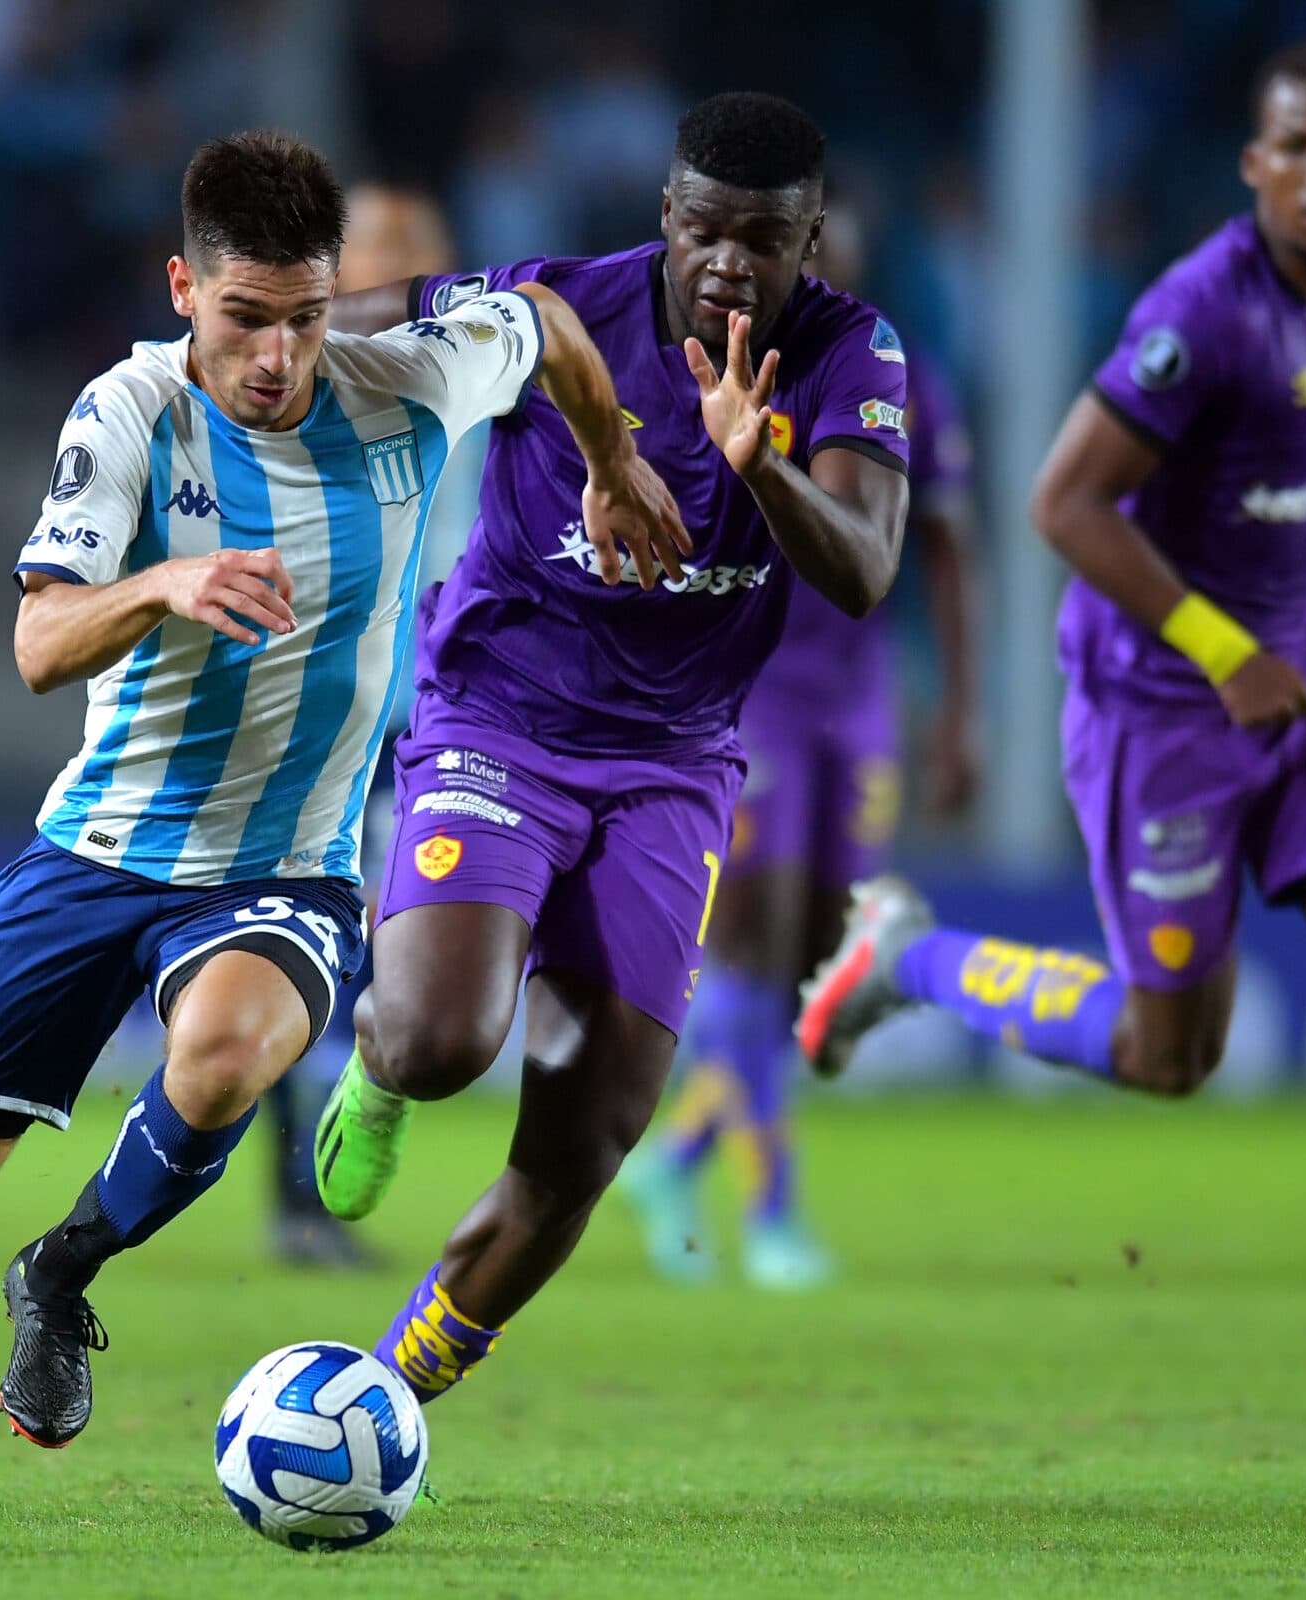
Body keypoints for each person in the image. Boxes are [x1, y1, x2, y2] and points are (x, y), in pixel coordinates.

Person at [0, 130, 682, 1515]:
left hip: (285, 869)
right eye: (244, 321)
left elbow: (544, 327)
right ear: (184, 288)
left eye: (301, 319)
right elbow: (41, 643)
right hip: (96, 855)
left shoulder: (407, 385)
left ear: (333, 294)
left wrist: (608, 456)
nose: (277, 358)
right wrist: (163, 584)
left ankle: (61, 1272)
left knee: (227, 1056)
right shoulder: (128, 415)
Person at [797, 41, 1306, 1436]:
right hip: (1162, 707)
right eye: (1296, 149)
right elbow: (1066, 506)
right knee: (1168, 1053)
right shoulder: (1203, 312)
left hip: (1297, 693)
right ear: (1256, 166)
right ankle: (910, 959)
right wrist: (1224, 653)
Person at [314, 92, 910, 1402]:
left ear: (811, 239)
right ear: (666, 216)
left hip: (673, 764)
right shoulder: (549, 301)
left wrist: (760, 468)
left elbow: (865, 568)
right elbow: (371, 318)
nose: (728, 262)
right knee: (440, 1040)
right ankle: (379, 1062)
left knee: (588, 1142)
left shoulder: (850, 357)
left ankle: (389, 1391)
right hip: (499, 717)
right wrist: (262, 339)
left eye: (765, 237)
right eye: (704, 228)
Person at [624, 195, 979, 1290]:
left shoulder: (897, 382)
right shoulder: (703, 374)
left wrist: (962, 709)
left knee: (816, 964)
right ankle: (773, 1207)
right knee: (753, 939)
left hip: (859, 694)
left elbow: (950, 551)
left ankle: (679, 1151)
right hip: (752, 685)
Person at [258, 180, 468, 1269]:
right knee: (311, 946)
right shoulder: (295, 399)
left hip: (442, 719)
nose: (384, 271)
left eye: (408, 250)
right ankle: (294, 1196)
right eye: (366, 252)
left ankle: (316, 1178)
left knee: (385, 953)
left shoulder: (477, 391)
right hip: (326, 715)